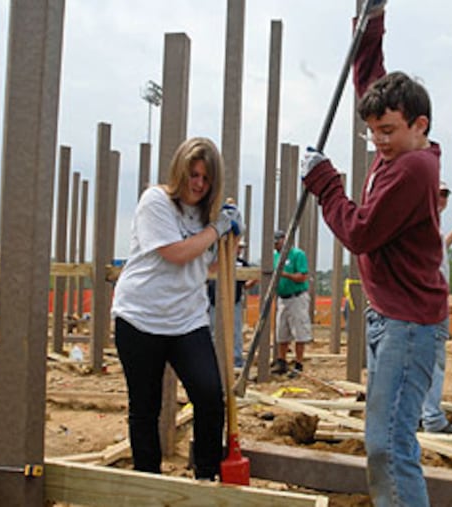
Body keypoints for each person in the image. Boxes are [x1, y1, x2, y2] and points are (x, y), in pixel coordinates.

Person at [301, 5, 446, 506]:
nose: (378, 141)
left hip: (408, 325)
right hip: (389, 317)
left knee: (388, 444)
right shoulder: (400, 146)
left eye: (387, 131)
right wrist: (372, 19)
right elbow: (369, 76)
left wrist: (325, 182)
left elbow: (359, 233)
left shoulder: (413, 171)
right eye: (372, 131)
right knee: (384, 438)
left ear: (419, 124)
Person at [111, 137, 242, 480]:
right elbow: (176, 253)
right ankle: (148, 482)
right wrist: (217, 230)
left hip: (187, 319)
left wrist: (232, 238)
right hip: (140, 316)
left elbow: (207, 267)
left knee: (210, 395)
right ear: (179, 171)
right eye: (193, 175)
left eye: (206, 178)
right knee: (146, 406)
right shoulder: (155, 201)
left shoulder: (206, 215)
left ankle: (206, 476)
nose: (198, 184)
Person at [420, 181, 452, 434]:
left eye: (445, 194)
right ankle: (433, 420)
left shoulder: (430, 224)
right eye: (437, 194)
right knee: (434, 364)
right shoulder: (424, 224)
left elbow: (439, 251)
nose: (442, 199)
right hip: (430, 305)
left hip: (428, 303)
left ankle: (418, 415)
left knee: (419, 363)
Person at [207, 239, 257, 369]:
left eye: (241, 248)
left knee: (235, 332)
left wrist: (254, 280)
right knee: (213, 332)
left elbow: (245, 284)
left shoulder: (241, 264)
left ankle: (236, 359)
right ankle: (214, 360)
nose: (239, 250)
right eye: (238, 247)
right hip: (214, 302)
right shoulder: (215, 261)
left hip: (233, 302)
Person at [270, 229, 312, 376]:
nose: (275, 245)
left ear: (284, 240)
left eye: (277, 242)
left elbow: (303, 276)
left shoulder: (297, 255)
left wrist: (284, 274)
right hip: (282, 298)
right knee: (282, 331)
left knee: (299, 331)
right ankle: (281, 361)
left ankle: (298, 363)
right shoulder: (275, 256)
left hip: (297, 298)